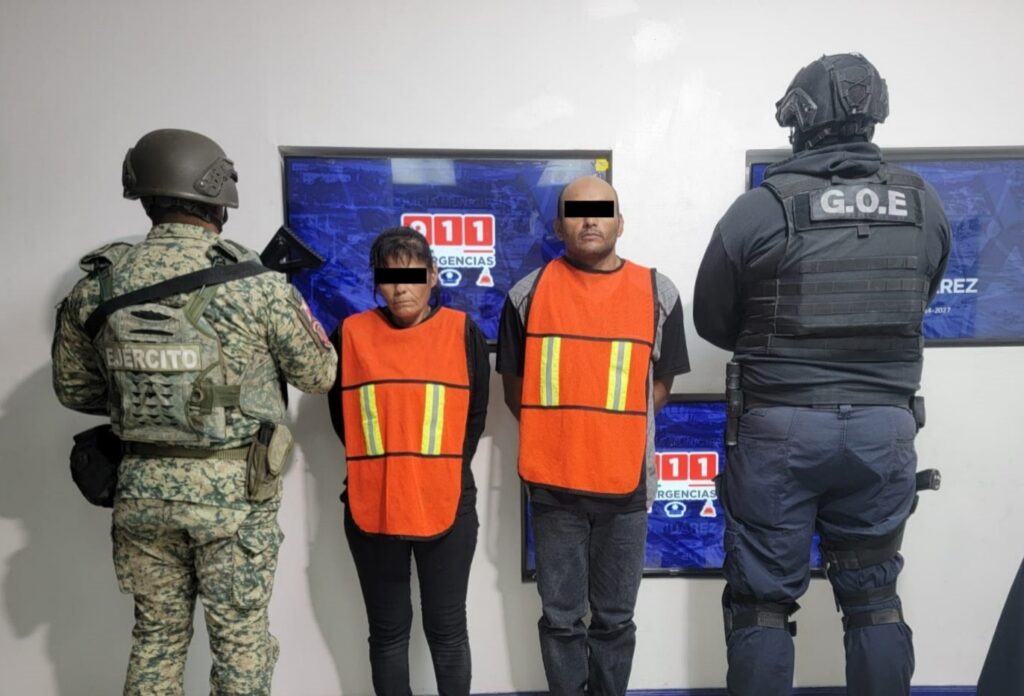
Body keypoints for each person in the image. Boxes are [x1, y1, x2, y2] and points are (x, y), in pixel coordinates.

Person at [693, 54, 952, 696]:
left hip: (779, 431)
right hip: (882, 430)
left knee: (762, 605)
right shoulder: (923, 204)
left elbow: (712, 320)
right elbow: (921, 300)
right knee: (874, 601)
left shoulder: (760, 209)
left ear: (800, 120)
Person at [52, 128, 338, 695]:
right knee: (240, 644)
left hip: (140, 492)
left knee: (155, 639)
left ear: (146, 195)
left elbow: (73, 389)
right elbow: (320, 374)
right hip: (232, 497)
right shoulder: (255, 284)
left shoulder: (98, 286)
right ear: (215, 197)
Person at [497, 176, 690, 696]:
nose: (589, 220)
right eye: (576, 212)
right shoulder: (526, 295)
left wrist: (609, 431)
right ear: (558, 225)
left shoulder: (659, 293)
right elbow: (516, 393)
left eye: (601, 210)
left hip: (627, 490)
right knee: (561, 620)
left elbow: (659, 388)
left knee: (615, 620)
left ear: (620, 223)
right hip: (553, 487)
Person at [327, 227, 489, 696]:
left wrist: (436, 469)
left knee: (447, 630)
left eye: (413, 275)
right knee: (388, 633)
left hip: (448, 501)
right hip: (372, 502)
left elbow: (474, 416)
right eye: (388, 277)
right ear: (377, 283)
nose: (401, 288)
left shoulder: (463, 332)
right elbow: (342, 417)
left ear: (434, 276)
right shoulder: (350, 335)